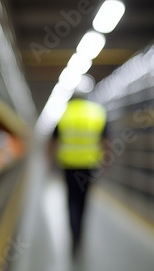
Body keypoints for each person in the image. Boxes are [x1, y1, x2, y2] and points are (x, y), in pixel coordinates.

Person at [48, 90, 108, 256]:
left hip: (69, 165)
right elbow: (105, 140)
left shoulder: (65, 113)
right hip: (89, 166)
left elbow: (53, 141)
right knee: (83, 199)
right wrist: (106, 162)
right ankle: (80, 233)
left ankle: (74, 233)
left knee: (71, 199)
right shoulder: (96, 113)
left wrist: (50, 163)